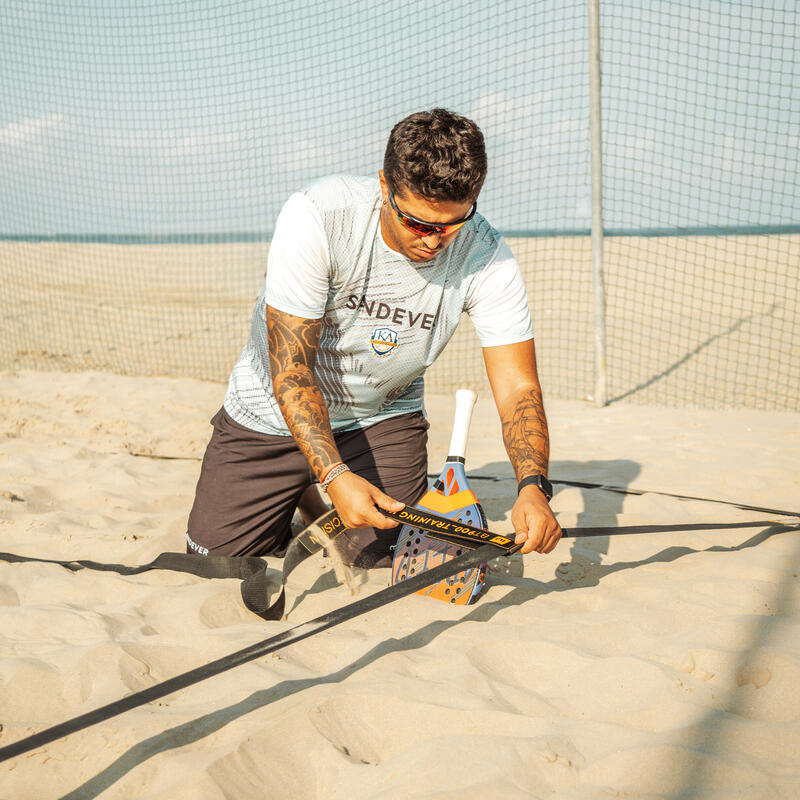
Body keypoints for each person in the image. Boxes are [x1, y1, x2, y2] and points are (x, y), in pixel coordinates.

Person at [186, 108, 562, 567]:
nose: (434, 241)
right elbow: (291, 368)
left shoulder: (487, 253)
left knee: (384, 557)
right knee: (215, 566)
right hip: (270, 418)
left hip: (380, 417)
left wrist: (533, 487)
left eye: (452, 224)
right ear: (385, 186)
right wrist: (334, 474)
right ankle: (304, 485)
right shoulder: (320, 216)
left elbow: (518, 386)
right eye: (418, 223)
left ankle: (319, 488)